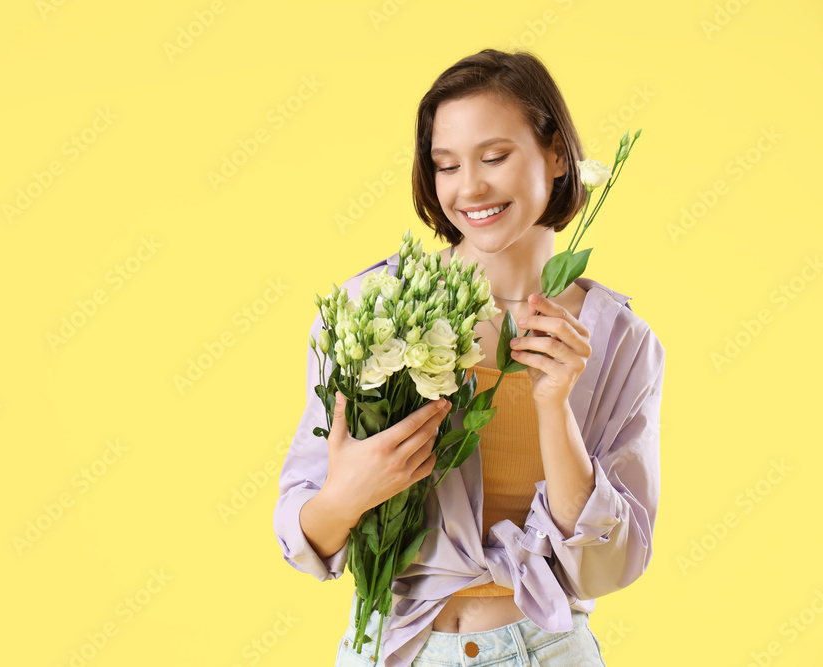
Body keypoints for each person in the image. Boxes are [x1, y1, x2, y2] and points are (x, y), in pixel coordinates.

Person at [273, 48, 665, 667]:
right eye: (446, 165)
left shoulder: (619, 341)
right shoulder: (376, 310)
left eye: (495, 157)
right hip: (392, 650)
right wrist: (347, 494)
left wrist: (555, 405)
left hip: (546, 650)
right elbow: (308, 539)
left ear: (557, 154)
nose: (470, 187)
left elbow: (607, 567)